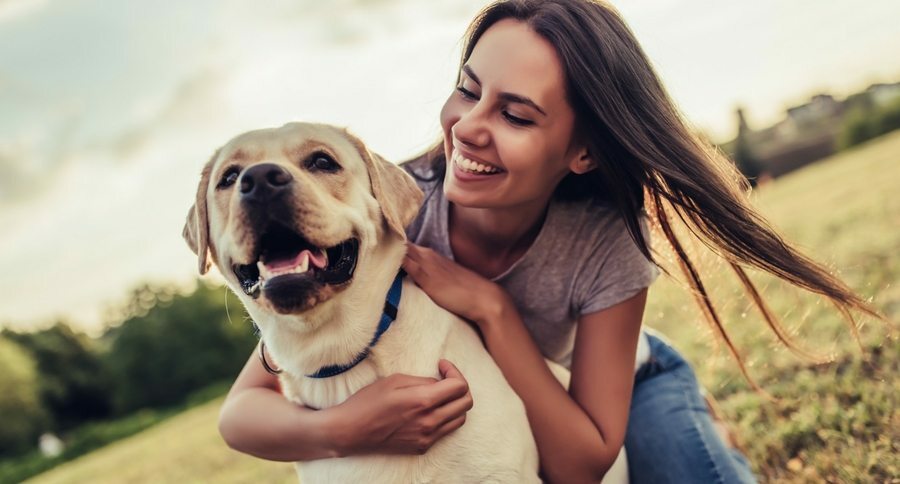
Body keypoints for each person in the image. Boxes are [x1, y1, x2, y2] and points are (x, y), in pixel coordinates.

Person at [218, 1, 876, 482]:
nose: (469, 128)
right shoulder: (386, 211)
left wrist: (493, 310)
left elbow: (580, 461)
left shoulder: (606, 239)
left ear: (583, 150)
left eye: (515, 114)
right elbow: (245, 409)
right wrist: (343, 429)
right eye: (467, 91)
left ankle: (696, 419)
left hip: (621, 387)